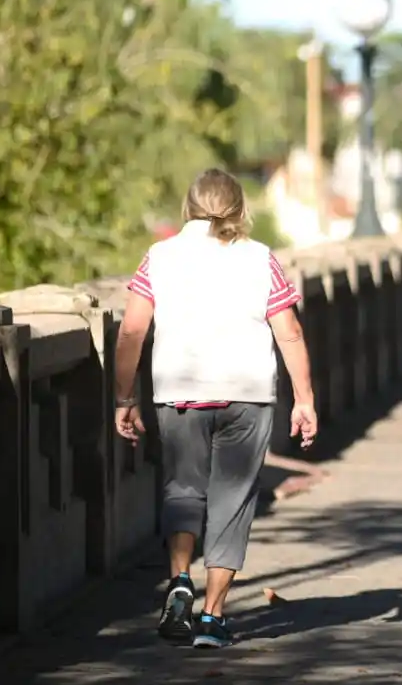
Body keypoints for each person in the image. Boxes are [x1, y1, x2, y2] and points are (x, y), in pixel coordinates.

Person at [112, 168, 318, 650]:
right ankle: (211, 617)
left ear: (189, 207)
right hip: (248, 395)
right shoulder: (260, 258)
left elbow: (132, 330)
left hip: (179, 394)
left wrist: (124, 397)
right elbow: (289, 332)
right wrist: (304, 398)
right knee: (233, 501)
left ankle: (180, 580)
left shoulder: (159, 257)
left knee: (182, 489)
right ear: (239, 210)